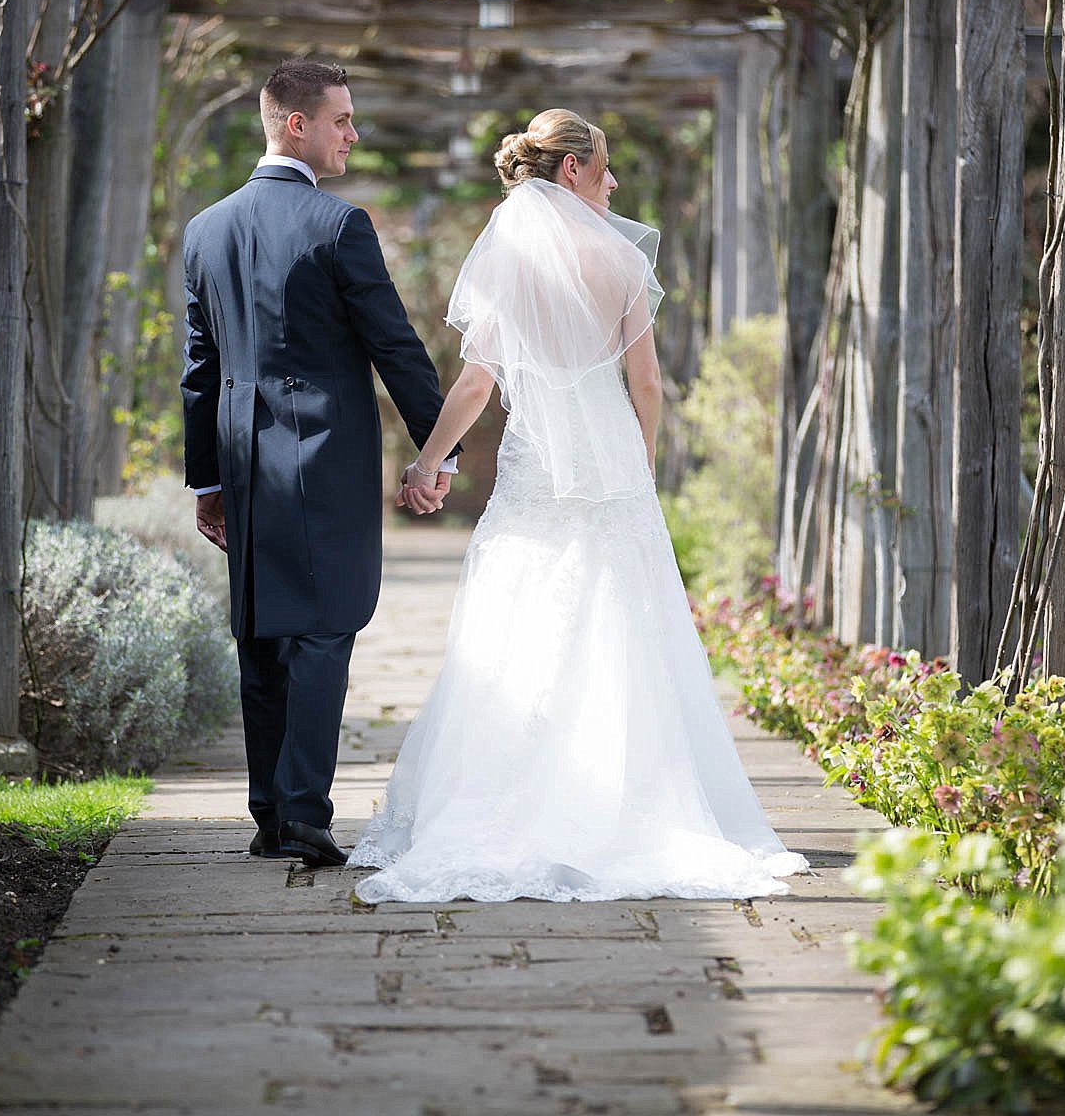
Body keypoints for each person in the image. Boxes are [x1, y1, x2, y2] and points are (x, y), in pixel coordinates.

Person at [348, 111, 810, 904]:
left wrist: (431, 460)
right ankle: (629, 804)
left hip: (537, 463)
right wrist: (647, 460)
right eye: (604, 168)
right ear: (570, 171)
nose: (615, 183)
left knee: (520, 612)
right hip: (613, 462)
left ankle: (513, 792)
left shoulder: (504, 261)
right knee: (627, 621)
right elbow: (648, 385)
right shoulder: (622, 262)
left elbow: (476, 384)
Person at [181, 62, 458, 871]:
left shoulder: (206, 229)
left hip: (240, 455)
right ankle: (302, 813)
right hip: (324, 452)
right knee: (327, 625)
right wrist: (434, 449)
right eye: (342, 119)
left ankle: (269, 813)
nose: (353, 133)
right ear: (295, 124)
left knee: (263, 635)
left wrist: (206, 480)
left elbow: (199, 368)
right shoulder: (339, 226)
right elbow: (394, 346)